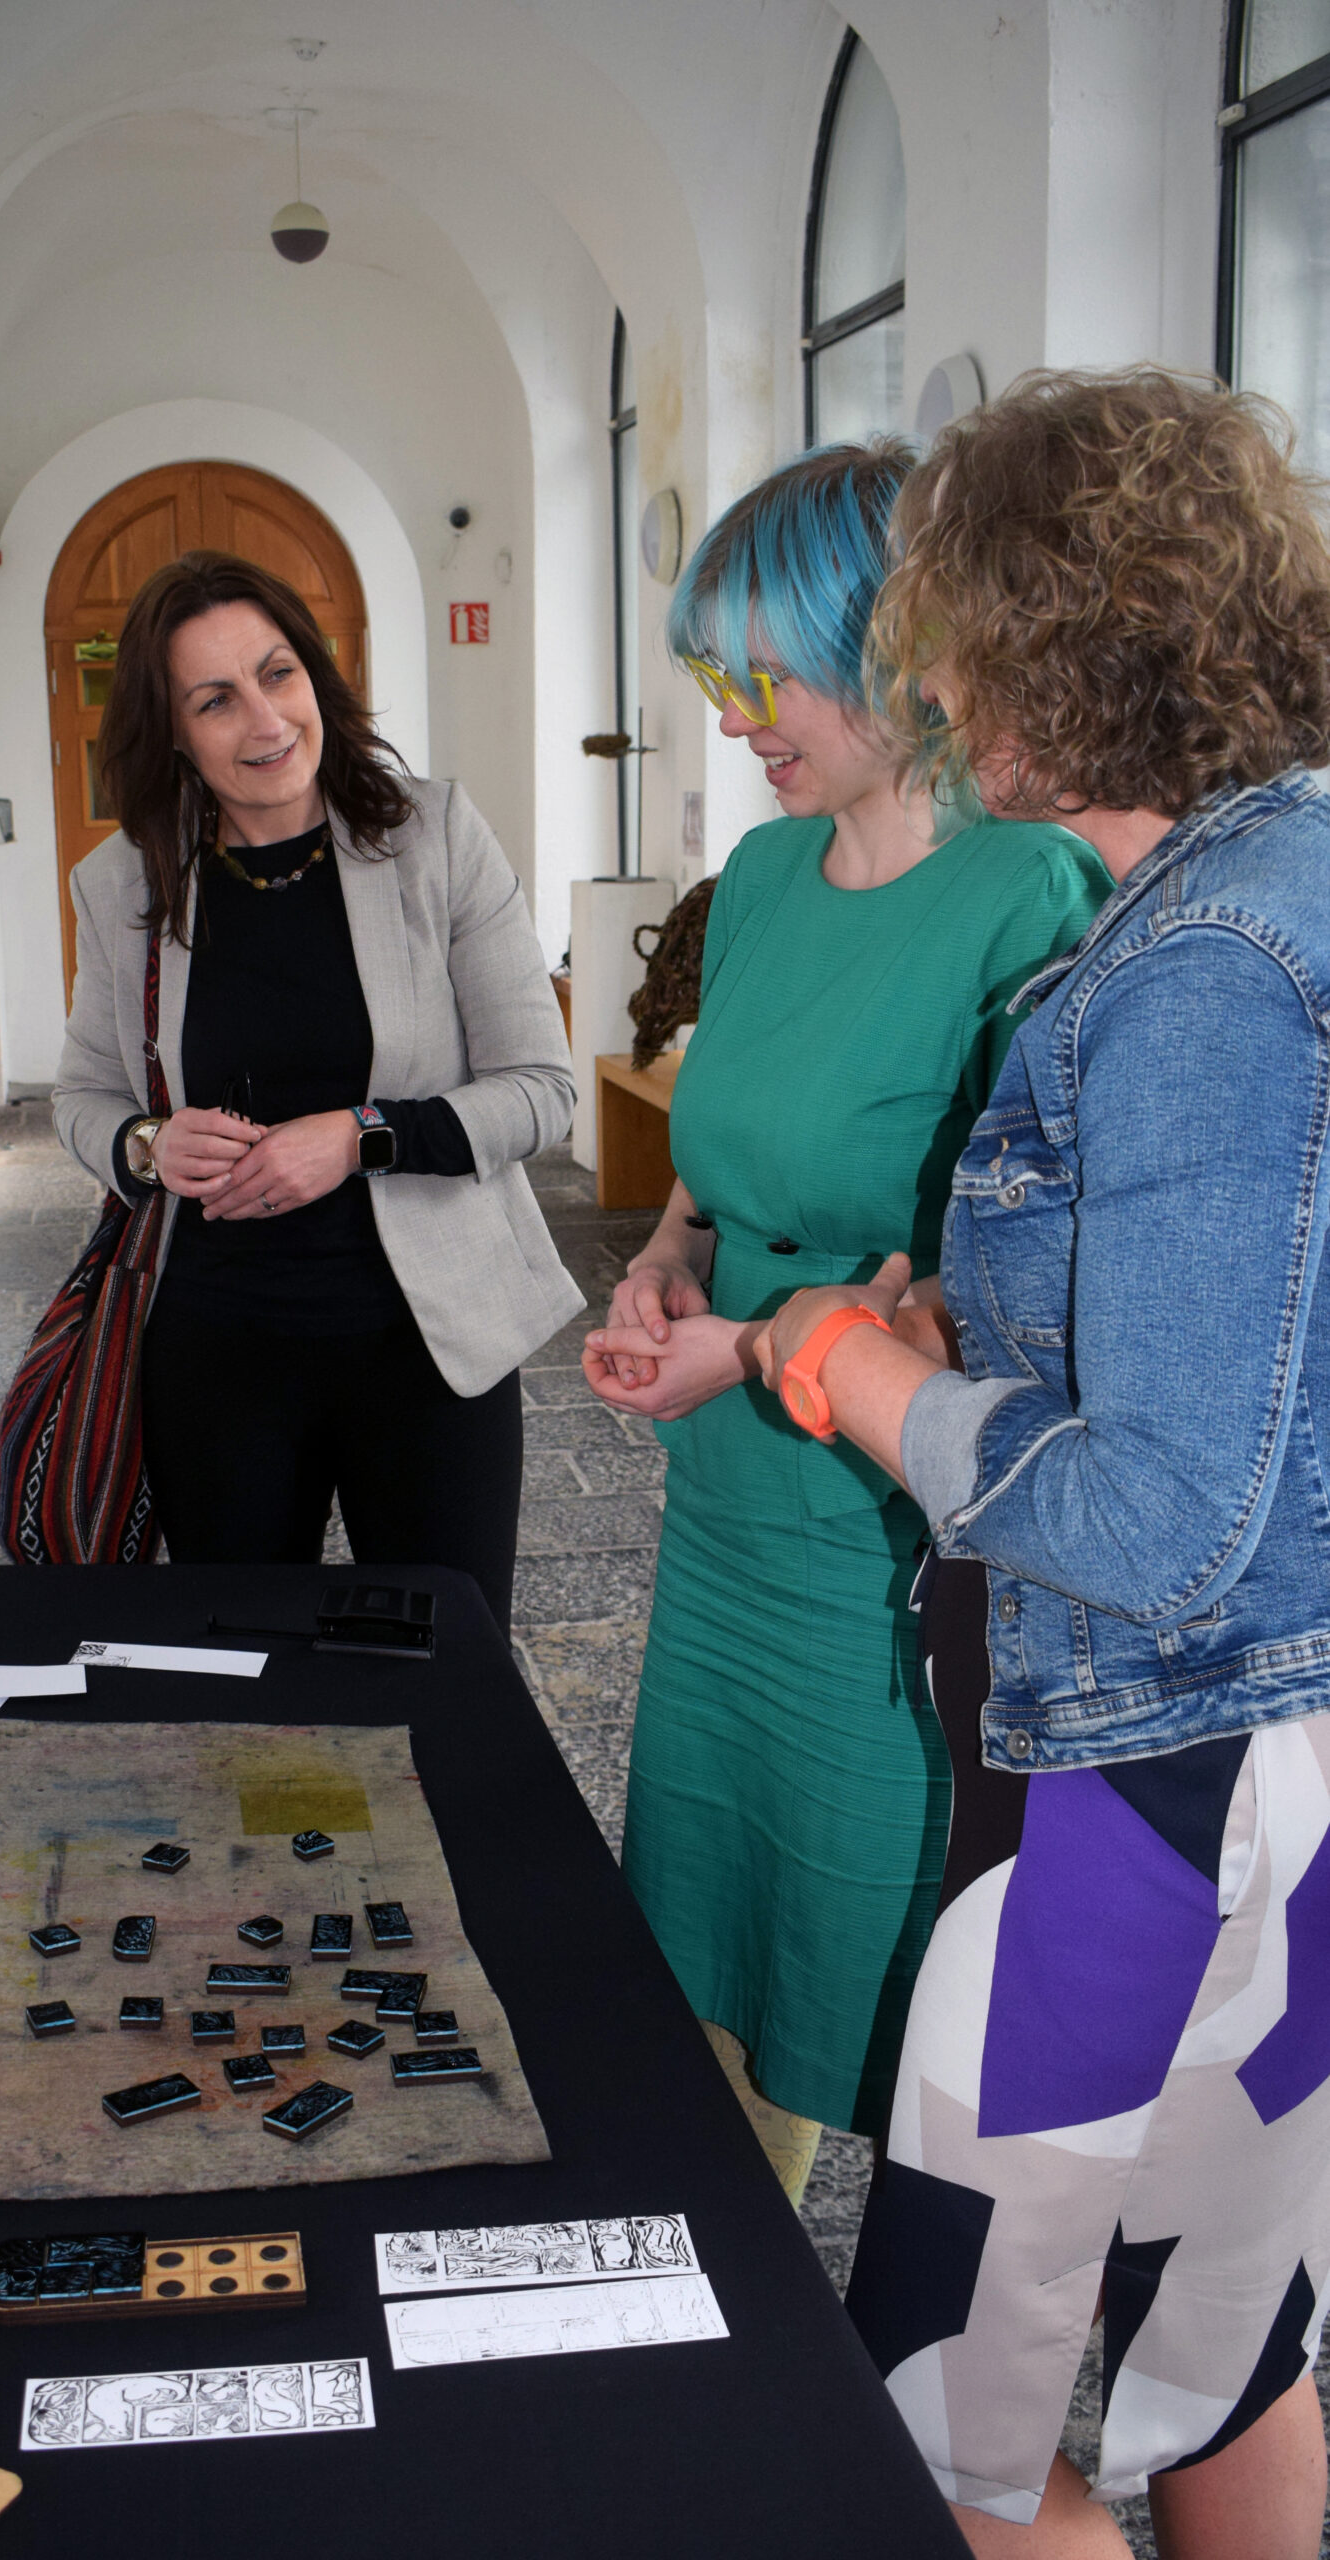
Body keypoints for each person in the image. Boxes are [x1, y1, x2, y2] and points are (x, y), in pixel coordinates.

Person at [758, 372, 1330, 2556]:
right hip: (1260, 1787)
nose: (930, 679)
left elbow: (1165, 1516)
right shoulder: (1268, 879)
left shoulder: (1204, 957)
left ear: (1051, 639)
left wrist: (844, 1363)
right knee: (1224, 2345)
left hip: (1144, 1807)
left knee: (953, 2419)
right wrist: (974, 1331)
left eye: (954, 628)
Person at [581, 445, 1109, 2203]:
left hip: (880, 1538)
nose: (733, 717)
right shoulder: (762, 877)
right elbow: (716, 1172)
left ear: (887, 646)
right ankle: (719, 2303)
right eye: (708, 677)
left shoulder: (1025, 890)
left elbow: (1002, 1283)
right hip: (723, 1520)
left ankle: (886, 2379)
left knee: (880, 1976)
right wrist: (661, 1267)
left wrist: (751, 1347)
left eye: (758, 672)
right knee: (699, 1966)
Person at [52, 550, 580, 1638]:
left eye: (277, 673)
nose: (265, 718)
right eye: (216, 699)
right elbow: (85, 1095)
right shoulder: (126, 886)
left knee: (446, 1660)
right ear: (177, 736)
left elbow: (542, 1092)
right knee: (243, 1668)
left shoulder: (433, 838)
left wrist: (360, 1136)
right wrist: (152, 1147)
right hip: (220, 1349)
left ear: (316, 677)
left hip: (430, 1343)